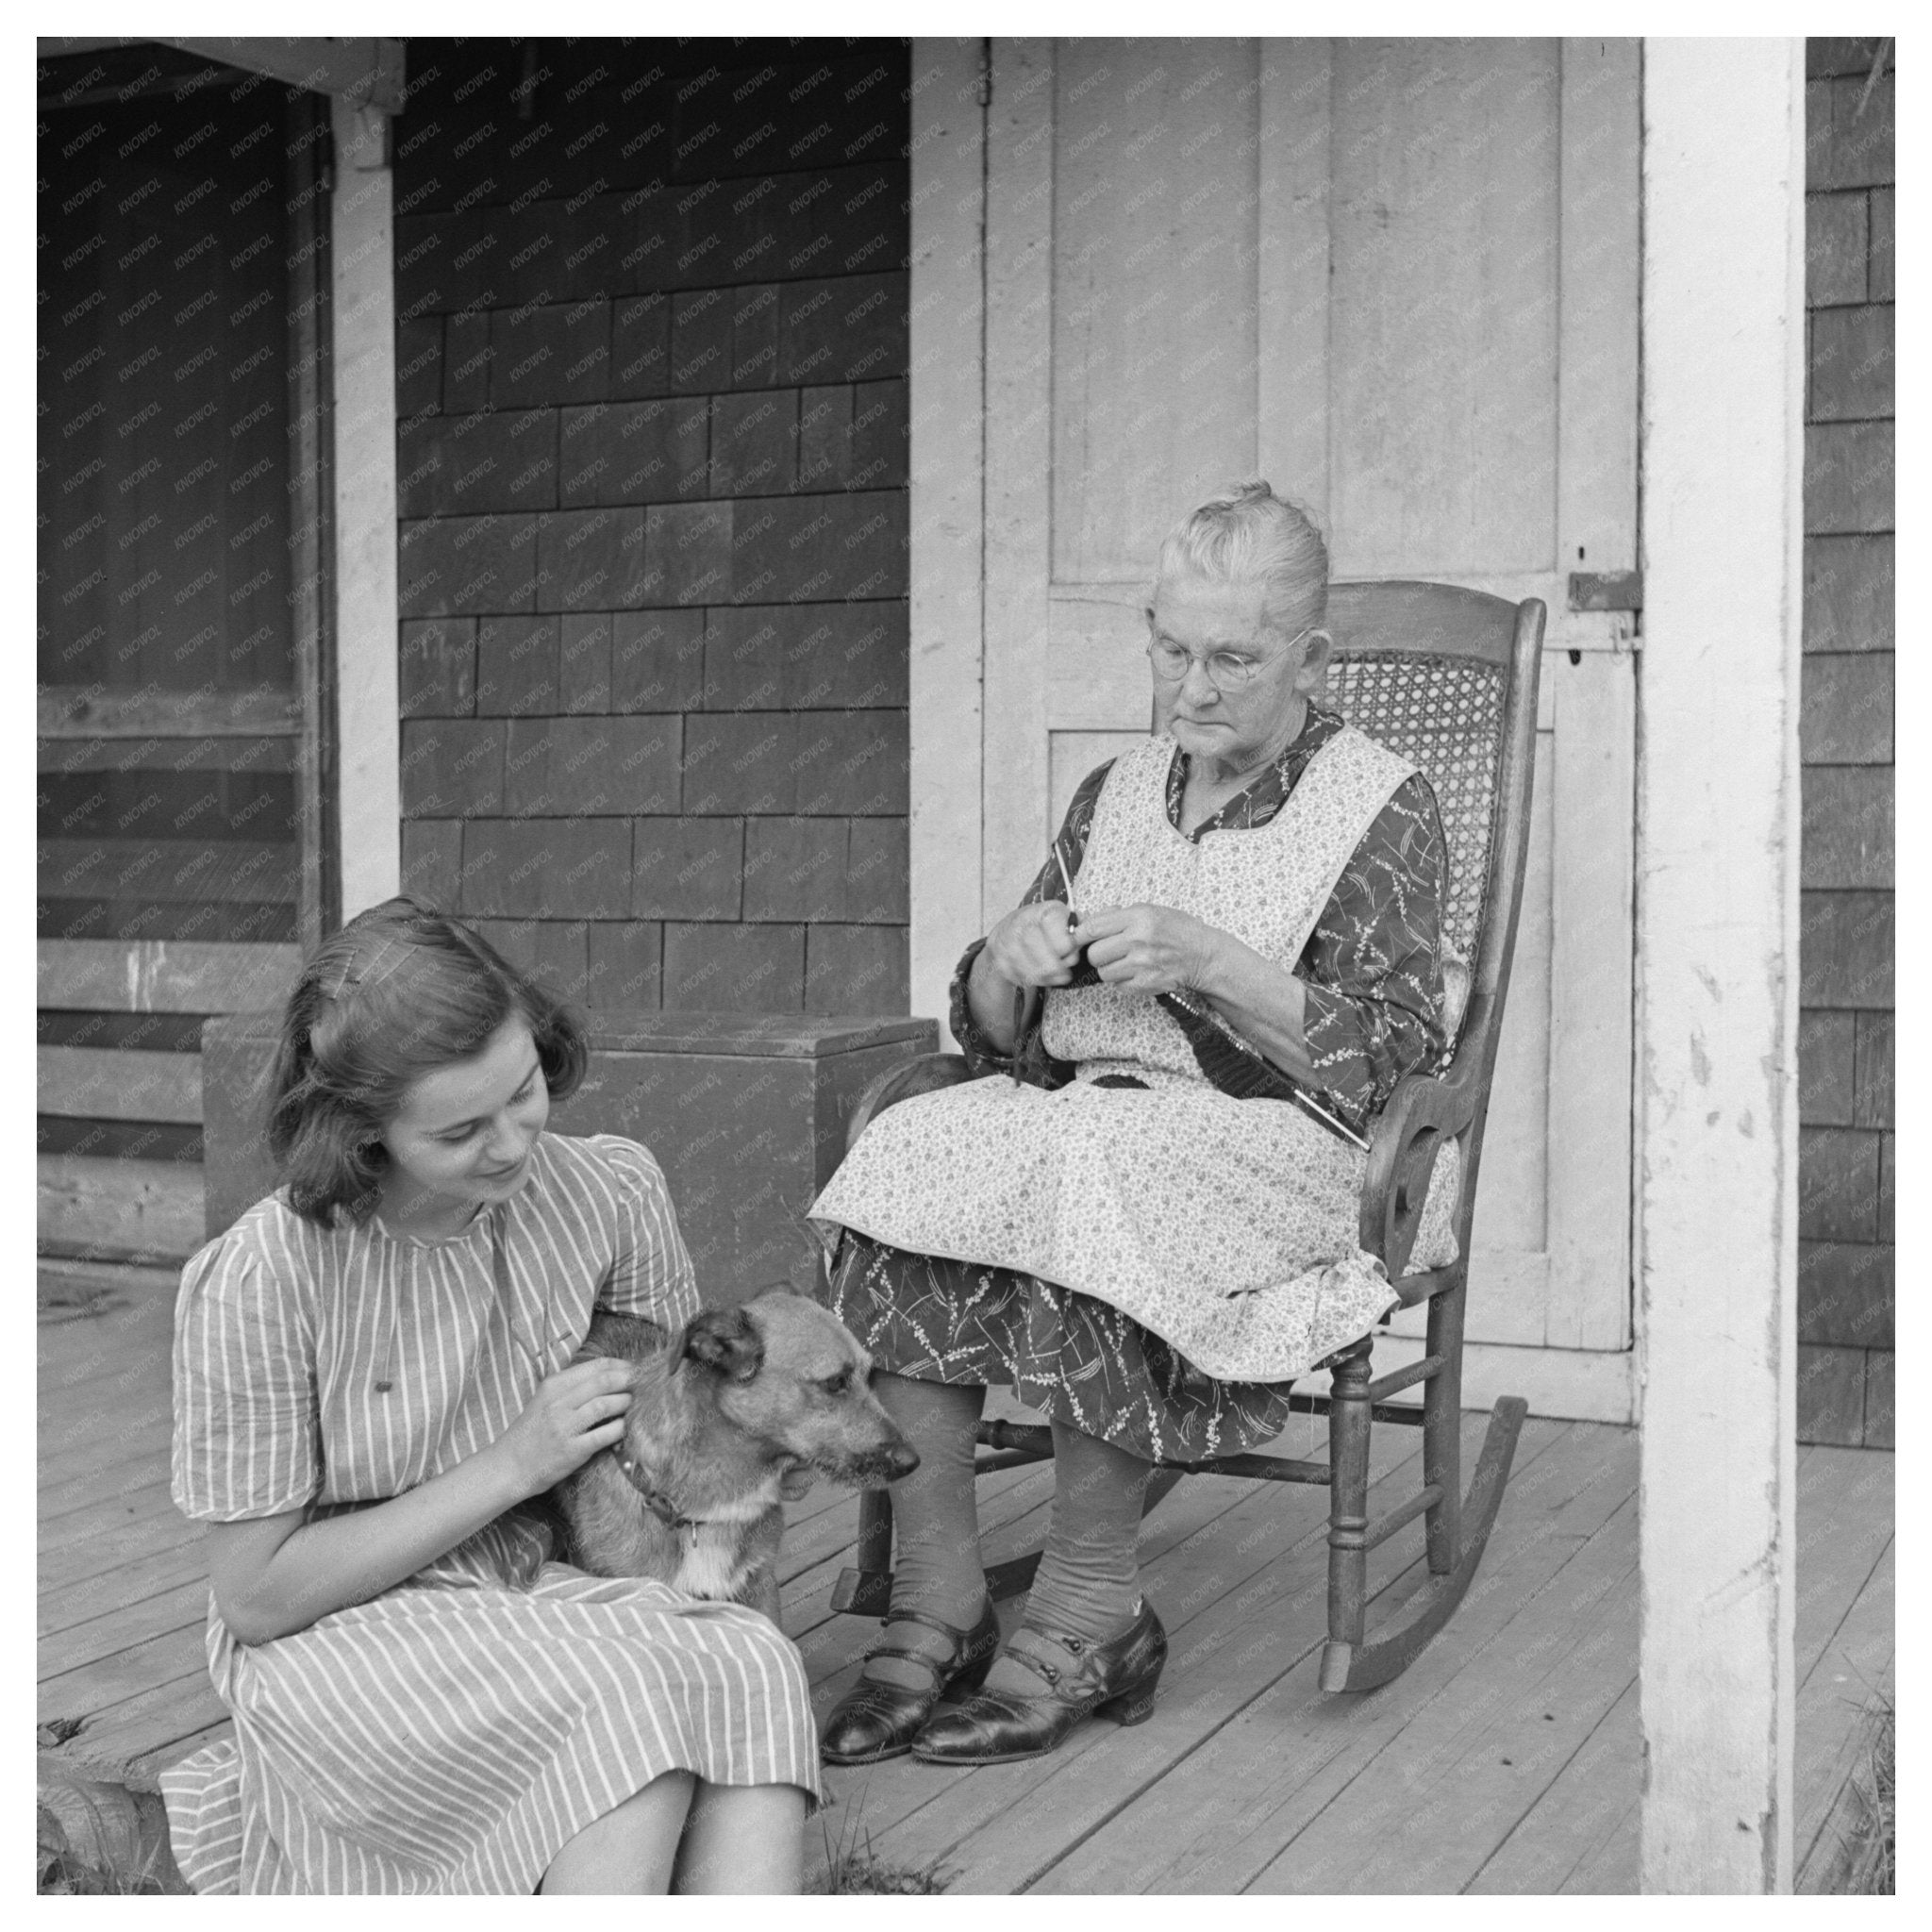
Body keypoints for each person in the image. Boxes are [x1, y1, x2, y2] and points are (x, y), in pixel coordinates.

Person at [808, 481, 1460, 1766]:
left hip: (1295, 1146)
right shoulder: (1115, 791)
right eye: (1173, 649)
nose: (1193, 688)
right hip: (1094, 1121)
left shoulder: (1382, 806)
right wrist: (1009, 955)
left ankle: (1091, 1610)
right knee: (917, 1149)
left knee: (1102, 1171)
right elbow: (991, 1030)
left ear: (1309, 658)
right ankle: (939, 1600)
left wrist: (1214, 960)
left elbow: (1391, 1064)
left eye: (1233, 658)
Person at [161, 898, 819, 1894]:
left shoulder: (605, 1191)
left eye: (523, 1089)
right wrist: (513, 1462)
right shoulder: (266, 1277)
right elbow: (256, 1596)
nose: (513, 1142)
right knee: (620, 1709)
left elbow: (686, 1433)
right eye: (462, 1128)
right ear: (358, 1131)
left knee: (748, 1658)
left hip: (538, 1580)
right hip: (343, 1621)